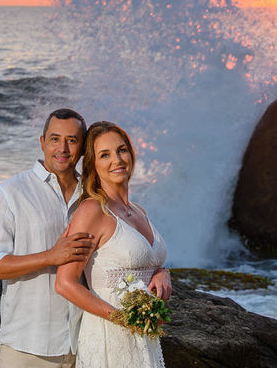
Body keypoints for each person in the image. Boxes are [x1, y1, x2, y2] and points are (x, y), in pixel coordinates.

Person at [0, 108, 95, 368]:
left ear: (83, 147)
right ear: (42, 143)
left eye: (72, 140)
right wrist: (50, 257)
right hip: (27, 347)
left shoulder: (93, 195)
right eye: (55, 139)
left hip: (85, 344)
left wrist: (157, 270)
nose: (62, 148)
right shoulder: (10, 193)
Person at [54, 121, 170, 368]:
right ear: (93, 165)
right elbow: (65, 283)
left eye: (121, 150)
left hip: (144, 336)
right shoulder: (91, 211)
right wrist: (123, 319)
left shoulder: (138, 210)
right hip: (110, 334)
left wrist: (162, 272)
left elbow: (147, 261)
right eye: (104, 155)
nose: (117, 160)